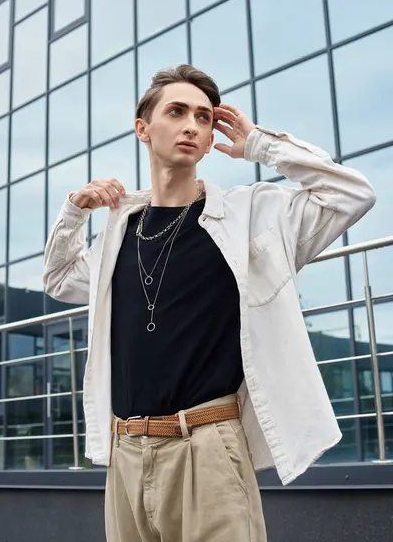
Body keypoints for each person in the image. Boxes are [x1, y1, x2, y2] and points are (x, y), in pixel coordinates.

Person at [43, 64, 376, 542]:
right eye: (176, 111)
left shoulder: (249, 215)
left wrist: (262, 144)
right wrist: (74, 212)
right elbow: (57, 278)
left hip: (208, 448)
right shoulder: (118, 234)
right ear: (143, 128)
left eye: (203, 116)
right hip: (126, 450)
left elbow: (351, 194)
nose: (191, 125)